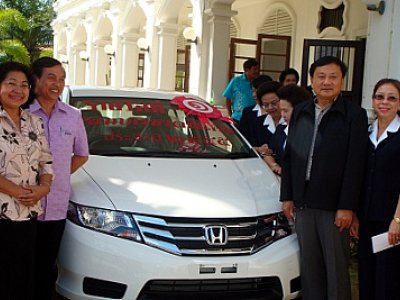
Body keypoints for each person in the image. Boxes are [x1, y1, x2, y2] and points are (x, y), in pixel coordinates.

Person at [280, 56, 368, 300]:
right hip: (303, 202)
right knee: (310, 266)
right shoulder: (301, 111)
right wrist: (287, 195)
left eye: (333, 77)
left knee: (336, 269)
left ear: (342, 80)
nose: (326, 82)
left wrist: (347, 206)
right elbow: (290, 156)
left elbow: (355, 163)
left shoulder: (354, 115)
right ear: (311, 80)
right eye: (321, 76)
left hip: (334, 206)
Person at [28, 57, 89, 300]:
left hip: (56, 204)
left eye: (61, 79)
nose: (57, 83)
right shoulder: (21, 112)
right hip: (21, 203)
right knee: (20, 263)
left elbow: (82, 154)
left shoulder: (73, 115)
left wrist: (56, 177)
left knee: (46, 264)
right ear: (36, 80)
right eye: (51, 77)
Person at [0, 61, 53, 299]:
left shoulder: (34, 122)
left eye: (24, 85)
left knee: (23, 274)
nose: (18, 89)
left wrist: (44, 188)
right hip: (2, 211)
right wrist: (19, 192)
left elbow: (46, 160)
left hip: (29, 212)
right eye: (11, 83)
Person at [353, 78, 400, 300]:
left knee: (388, 279)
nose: (384, 102)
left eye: (392, 98)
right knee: (367, 274)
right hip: (366, 217)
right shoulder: (367, 132)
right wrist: (354, 214)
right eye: (379, 96)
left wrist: (397, 221)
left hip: (391, 221)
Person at [263, 84, 310, 175]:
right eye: (281, 110)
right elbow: (267, 153)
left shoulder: (311, 133)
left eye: (286, 111)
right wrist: (273, 165)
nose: (283, 115)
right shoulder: (281, 129)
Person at [239, 74, 272, 148]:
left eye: (257, 91)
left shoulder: (276, 112)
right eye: (253, 91)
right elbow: (243, 138)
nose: (254, 95)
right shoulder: (248, 112)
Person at [223, 58, 259, 125]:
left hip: (254, 118)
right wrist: (230, 114)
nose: (257, 71)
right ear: (246, 70)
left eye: (257, 69)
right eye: (254, 69)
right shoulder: (235, 81)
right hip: (238, 118)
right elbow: (228, 98)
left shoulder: (259, 82)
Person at [253, 81, 283, 152]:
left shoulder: (291, 122)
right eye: (266, 105)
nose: (270, 107)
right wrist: (259, 149)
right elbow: (248, 146)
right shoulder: (259, 122)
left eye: (274, 103)